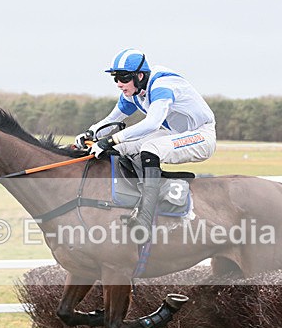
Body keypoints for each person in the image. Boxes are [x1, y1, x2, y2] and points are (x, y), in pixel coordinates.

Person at [76, 48, 217, 235]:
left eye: (123, 78)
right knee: (120, 148)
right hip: (172, 133)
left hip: (201, 135)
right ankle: (134, 198)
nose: (119, 84)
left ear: (140, 76)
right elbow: (113, 118)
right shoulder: (134, 91)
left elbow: (152, 123)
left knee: (149, 148)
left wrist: (109, 139)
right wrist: (91, 132)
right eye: (115, 78)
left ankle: (146, 217)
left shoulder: (162, 86)